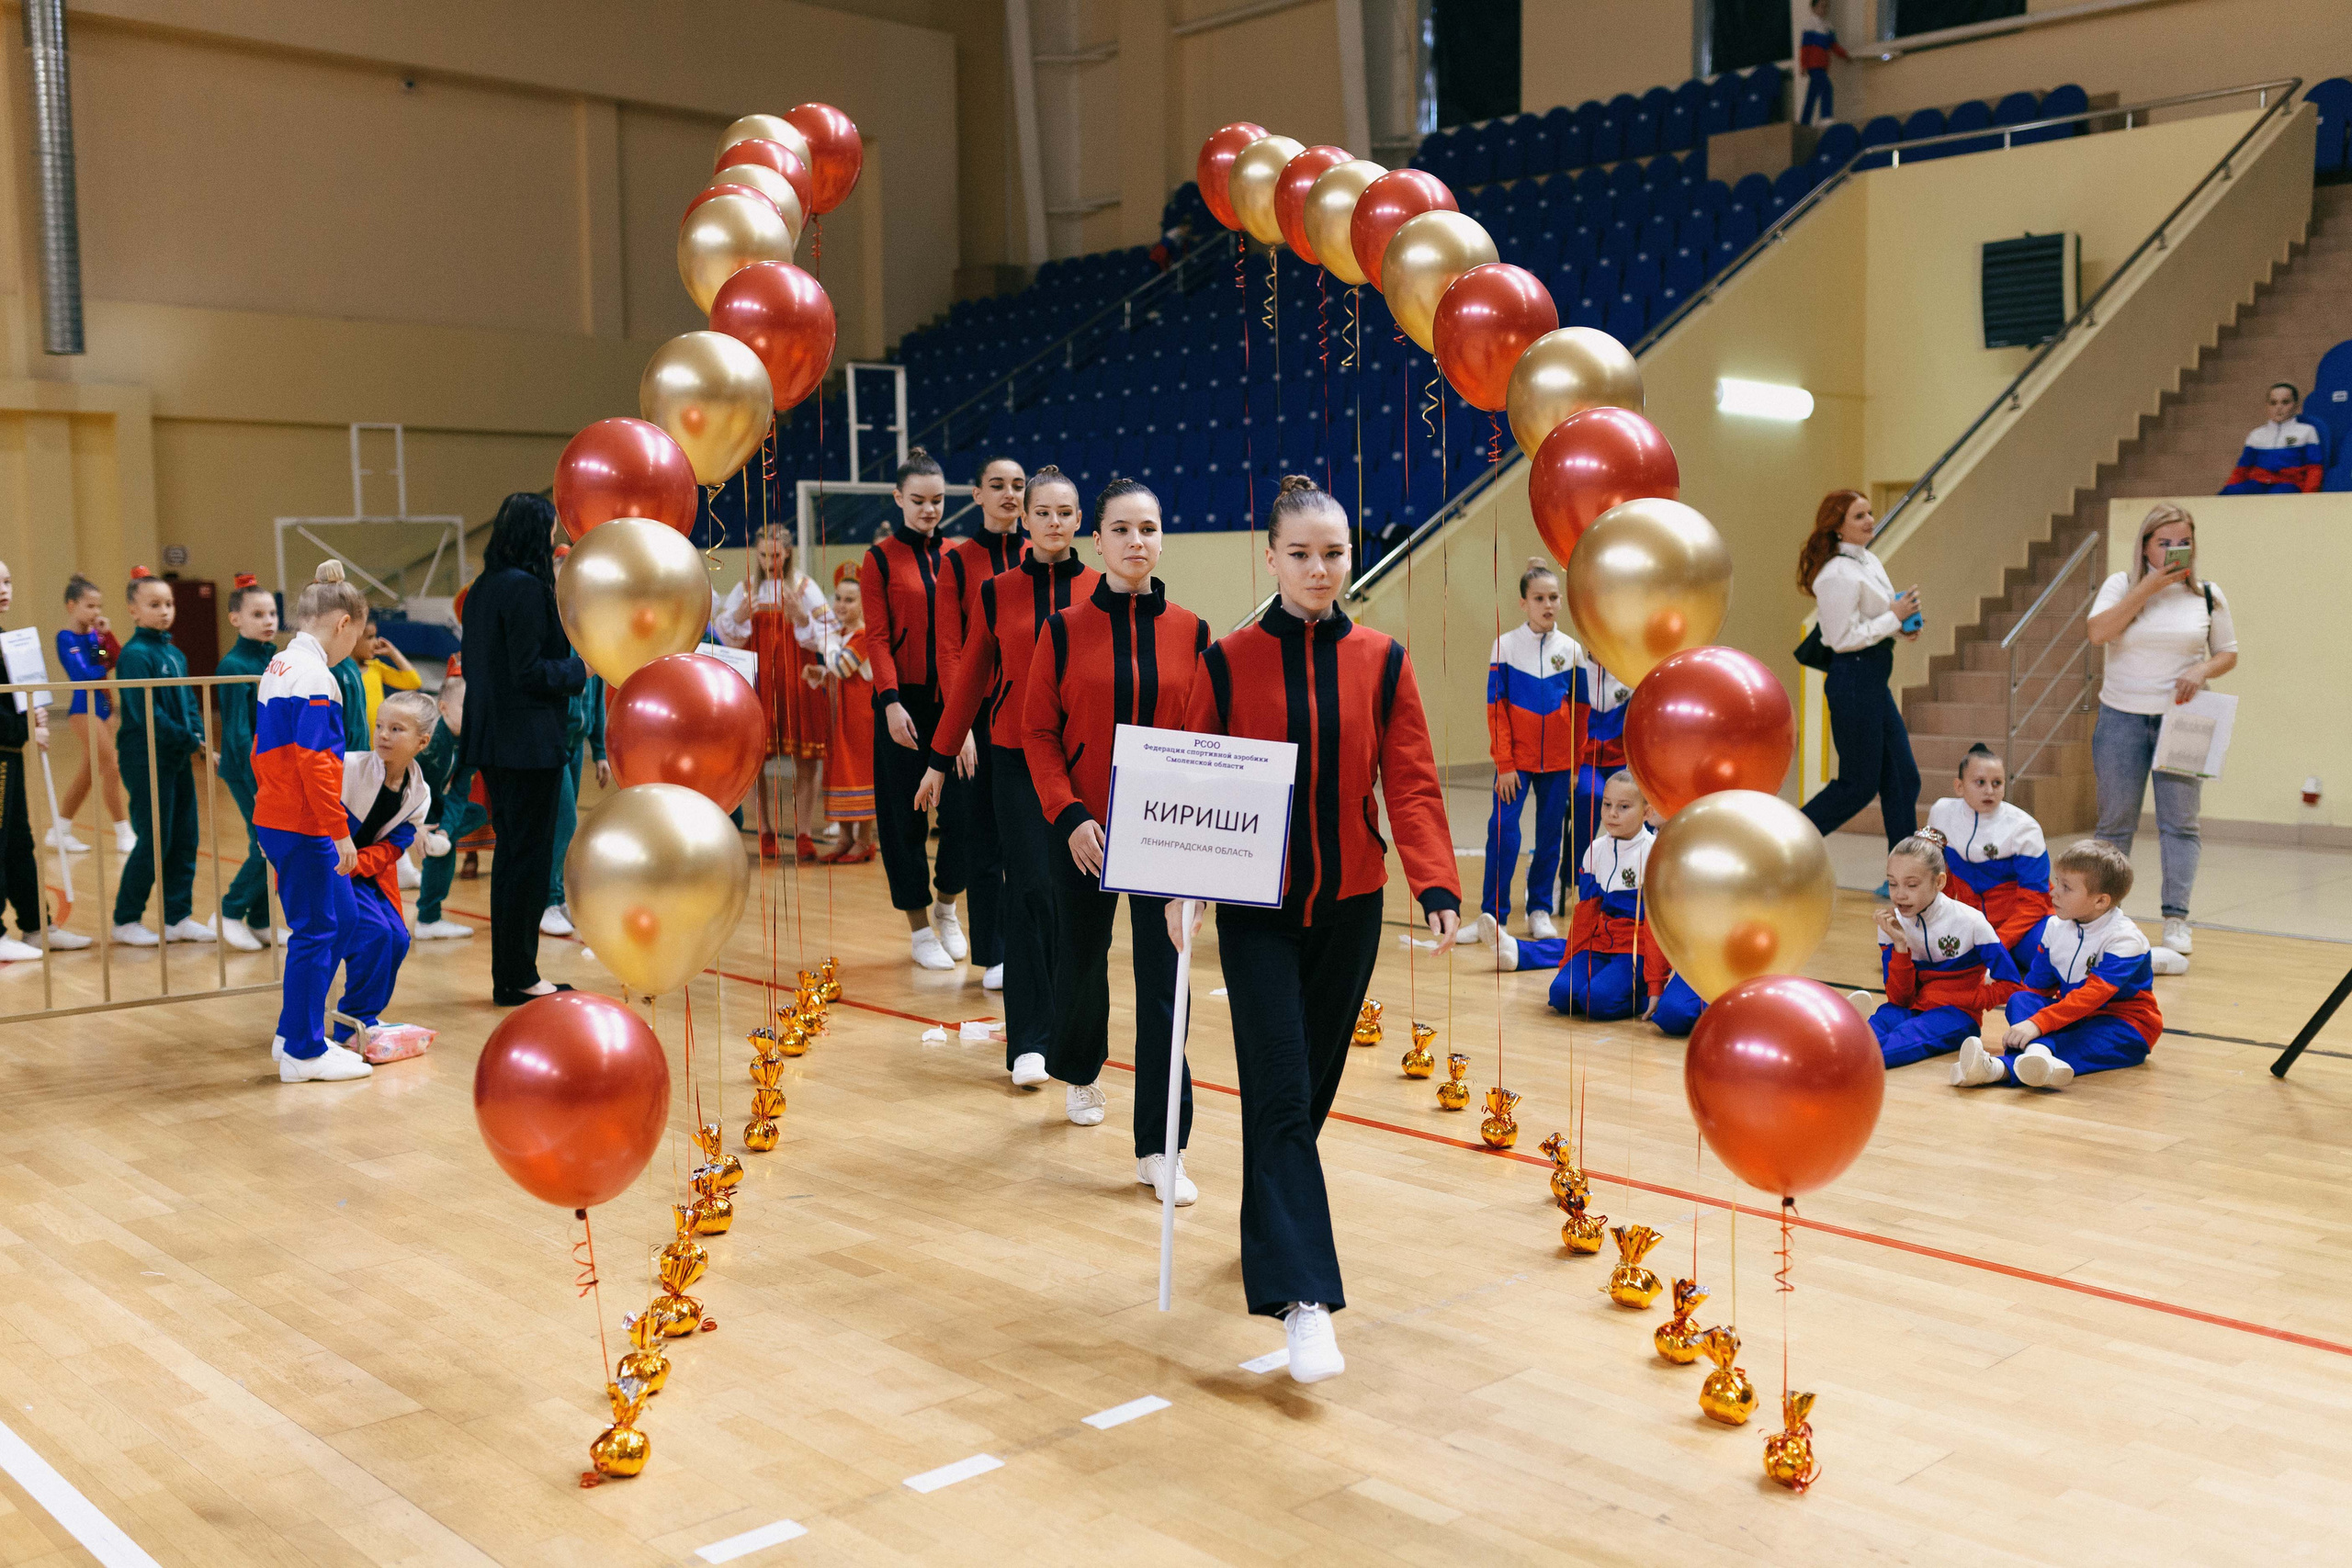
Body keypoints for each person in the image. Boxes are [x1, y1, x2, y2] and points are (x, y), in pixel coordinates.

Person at [1175, 473, 1460, 1385]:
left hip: (1350, 907)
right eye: (1299, 554)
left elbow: (1409, 781)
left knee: (1306, 1093)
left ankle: (1271, 1215)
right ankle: (1305, 1302)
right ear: (1271, 558)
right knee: (1283, 1096)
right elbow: (1195, 783)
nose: (1317, 568)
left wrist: (1436, 881)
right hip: (1255, 915)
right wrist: (1181, 889)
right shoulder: (1225, 660)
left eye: (1332, 553)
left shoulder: (1381, 660)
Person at [1023, 478, 1202, 1197]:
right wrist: (1068, 814)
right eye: (1122, 529)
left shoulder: (1192, 630)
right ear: (1097, 542)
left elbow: (1202, 736)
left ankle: (1163, 1147)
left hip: (1163, 834)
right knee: (1081, 959)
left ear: (1161, 539)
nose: (1137, 542)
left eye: (1149, 529)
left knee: (1167, 988)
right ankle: (1080, 1066)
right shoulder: (1062, 630)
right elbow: (1037, 731)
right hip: (1084, 831)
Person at [919, 468, 1095, 1081]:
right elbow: (969, 679)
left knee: (1073, 900)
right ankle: (1029, 1040)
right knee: (1028, 889)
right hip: (1015, 759)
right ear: (1025, 520)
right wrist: (939, 760)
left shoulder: (1101, 586)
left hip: (1085, 763)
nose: (1051, 522)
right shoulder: (997, 590)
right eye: (1041, 512)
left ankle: (1073, 1033)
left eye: (1064, 512)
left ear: (1079, 521)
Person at [2085, 503, 2235, 962]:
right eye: (2163, 542)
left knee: (2180, 824)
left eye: (2181, 542)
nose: (2173, 550)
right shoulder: (2121, 585)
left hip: (2183, 721)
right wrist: (2149, 587)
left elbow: (2227, 652)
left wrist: (2202, 668)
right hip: (2122, 718)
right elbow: (2098, 633)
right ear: (2146, 545)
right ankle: (2105, 917)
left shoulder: (2207, 594)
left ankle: (2176, 919)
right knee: (2114, 826)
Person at [459, 493, 589, 1005]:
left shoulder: (484, 588)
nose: (556, 536)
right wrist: (582, 669)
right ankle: (521, 975)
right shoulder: (528, 590)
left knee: (511, 859)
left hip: (493, 739)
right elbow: (531, 671)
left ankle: (510, 975)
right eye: (552, 529)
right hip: (529, 743)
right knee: (529, 863)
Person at [253, 559, 373, 1082]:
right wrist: (339, 829)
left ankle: (291, 1031)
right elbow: (315, 761)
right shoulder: (315, 677)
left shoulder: (280, 664)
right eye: (360, 633)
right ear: (343, 624)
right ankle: (304, 1051)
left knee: (340, 920)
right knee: (316, 929)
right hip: (302, 823)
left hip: (281, 816)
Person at [859, 449, 976, 972]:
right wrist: (889, 703)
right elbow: (878, 638)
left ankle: (948, 906)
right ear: (898, 499)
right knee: (903, 819)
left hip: (952, 703)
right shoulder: (878, 559)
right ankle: (918, 925)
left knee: (964, 813)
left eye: (937, 501)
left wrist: (966, 707)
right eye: (919, 501)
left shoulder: (958, 555)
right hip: (901, 705)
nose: (929, 510)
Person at [1954, 840, 2160, 1090]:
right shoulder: (2054, 927)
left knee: (2076, 1041)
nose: (2054, 893)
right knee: (2021, 1000)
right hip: (2071, 1015)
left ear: (2100, 901)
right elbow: (2036, 988)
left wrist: (2037, 1025)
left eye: (2066, 887)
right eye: (2057, 882)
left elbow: (2090, 998)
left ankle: (1996, 1069)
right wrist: (2033, 1020)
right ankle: (2037, 1056)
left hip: (2125, 1026)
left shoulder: (2126, 939)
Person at [933, 456, 1029, 987]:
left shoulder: (1040, 555)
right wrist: (961, 723)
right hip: (980, 720)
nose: (1009, 494)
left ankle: (1028, 945)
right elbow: (951, 651)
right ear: (977, 494)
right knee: (982, 836)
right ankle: (993, 954)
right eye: (997, 485)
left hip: (1031, 720)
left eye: (1018, 485)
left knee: (1030, 841)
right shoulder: (958, 562)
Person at [1486, 770, 1672, 1022]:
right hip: (1600, 945)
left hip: (1635, 951)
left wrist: (1655, 987)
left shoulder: (1655, 855)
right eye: (1607, 804)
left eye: (1624, 807)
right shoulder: (1595, 851)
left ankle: (1639, 998)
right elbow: (1585, 917)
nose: (1612, 813)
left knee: (1596, 1002)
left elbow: (1656, 930)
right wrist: (1569, 965)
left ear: (1647, 812)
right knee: (1562, 996)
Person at [1798, 489, 1921, 852]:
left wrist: (1902, 625)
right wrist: (1892, 618)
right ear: (1837, 528)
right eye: (1859, 516)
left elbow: (1876, 616)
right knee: (1858, 785)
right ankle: (1781, 842)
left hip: (1871, 679)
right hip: (1852, 680)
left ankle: (1904, 871)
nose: (1870, 520)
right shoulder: (1835, 575)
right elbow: (1841, 639)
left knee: (1902, 778)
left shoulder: (1868, 561)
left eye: (1869, 513)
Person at [1853, 827, 2019, 1071]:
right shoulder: (1891, 923)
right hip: (1909, 1006)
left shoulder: (1971, 922)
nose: (1899, 895)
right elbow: (1899, 999)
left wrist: (1970, 1000)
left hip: (1956, 1015)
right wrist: (1900, 946)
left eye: (1911, 885)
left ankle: (1846, 1065)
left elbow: (2011, 984)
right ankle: (1830, 1054)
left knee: (1904, 1037)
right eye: (1892, 884)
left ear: (1939, 881)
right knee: (1876, 1025)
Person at [715, 525, 835, 861]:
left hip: (797, 677)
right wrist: (737, 617)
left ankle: (803, 833)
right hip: (759, 679)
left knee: (805, 759)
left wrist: (801, 619)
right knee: (756, 759)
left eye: (777, 555)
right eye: (765, 555)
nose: (771, 562)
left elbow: (829, 635)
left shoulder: (805, 588)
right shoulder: (747, 590)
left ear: (789, 552)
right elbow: (727, 638)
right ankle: (766, 830)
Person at [110, 571, 211, 948]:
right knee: (155, 837)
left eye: (168, 604)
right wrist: (188, 739)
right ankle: (126, 919)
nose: (164, 611)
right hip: (145, 759)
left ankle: (177, 917)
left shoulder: (174, 653)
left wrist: (198, 735)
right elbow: (145, 713)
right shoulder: (135, 656)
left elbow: (187, 702)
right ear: (134, 611)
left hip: (176, 757)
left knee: (185, 836)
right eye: (154, 605)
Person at [330, 690, 435, 1048]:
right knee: (373, 936)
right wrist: (346, 861)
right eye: (379, 726)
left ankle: (365, 1018)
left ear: (422, 742)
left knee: (398, 939)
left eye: (396, 728)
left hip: (365, 873)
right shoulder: (347, 767)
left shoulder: (419, 793)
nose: (383, 735)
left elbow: (393, 846)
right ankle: (349, 1026)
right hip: (329, 869)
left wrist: (359, 863)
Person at [1479, 561, 1577, 943]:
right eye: (1539, 598)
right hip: (1514, 764)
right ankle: (1493, 915)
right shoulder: (1504, 646)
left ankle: (1539, 909)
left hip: (1557, 764)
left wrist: (1575, 764)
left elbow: (1580, 713)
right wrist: (1504, 763)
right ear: (1524, 603)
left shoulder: (1571, 650)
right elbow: (1496, 708)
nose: (1548, 605)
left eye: (1554, 597)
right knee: (1502, 832)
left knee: (1550, 837)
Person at [1927, 744, 2052, 972]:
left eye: (1997, 783)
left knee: (2050, 960)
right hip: (1971, 922)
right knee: (1916, 949)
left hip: (2023, 924)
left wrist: (1997, 943)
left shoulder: (2025, 828)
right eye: (1980, 782)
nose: (1989, 791)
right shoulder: (1940, 812)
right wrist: (1931, 919)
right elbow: (1935, 873)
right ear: (1959, 786)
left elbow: (2035, 903)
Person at [210, 575, 281, 952]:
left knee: (278, 843)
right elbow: (237, 732)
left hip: (273, 770)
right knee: (265, 843)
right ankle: (229, 911)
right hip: (247, 771)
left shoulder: (273, 658)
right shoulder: (233, 663)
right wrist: (257, 781)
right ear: (235, 619)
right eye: (258, 614)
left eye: (271, 612)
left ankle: (261, 919)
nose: (268, 620)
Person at [0, 559, 60, 960]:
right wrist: (24, 729)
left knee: (19, 840)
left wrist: (31, 712)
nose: (4, 588)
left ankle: (38, 926)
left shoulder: (6, 637)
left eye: (6, 580)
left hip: (10, 756)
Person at [51, 574, 130, 856]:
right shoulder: (66, 638)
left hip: (104, 707)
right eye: (90, 606)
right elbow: (83, 674)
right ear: (72, 605)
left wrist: (105, 635)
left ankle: (59, 830)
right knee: (111, 767)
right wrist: (102, 667)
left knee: (87, 773)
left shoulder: (94, 637)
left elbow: (114, 660)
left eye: (99, 606)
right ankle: (124, 831)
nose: (96, 612)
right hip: (83, 709)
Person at [542, 672, 607, 938]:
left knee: (562, 829)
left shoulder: (596, 649)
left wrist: (600, 751)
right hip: (553, 744)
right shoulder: (561, 642)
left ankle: (558, 899)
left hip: (576, 747)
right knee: (565, 825)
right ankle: (547, 903)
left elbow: (598, 702)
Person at [413, 676, 479, 941]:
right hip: (405, 804)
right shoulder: (430, 739)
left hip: (431, 803)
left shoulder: (469, 742)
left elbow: (460, 792)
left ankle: (429, 919)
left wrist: (443, 832)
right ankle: (427, 918)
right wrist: (417, 823)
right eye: (467, 706)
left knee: (477, 814)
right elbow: (406, 782)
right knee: (441, 847)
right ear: (443, 708)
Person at [818, 569, 876, 863]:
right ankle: (844, 837)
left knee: (858, 774)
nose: (841, 604)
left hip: (859, 719)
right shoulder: (843, 634)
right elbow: (834, 668)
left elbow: (843, 667)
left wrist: (824, 643)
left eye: (850, 600)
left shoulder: (865, 635)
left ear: (865, 604)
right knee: (838, 771)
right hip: (839, 718)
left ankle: (864, 840)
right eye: (838, 598)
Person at [2221, 382, 2324, 494]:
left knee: (2277, 496)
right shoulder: (2256, 434)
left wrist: (2308, 496)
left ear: (2296, 405)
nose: (2279, 407)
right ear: (2267, 406)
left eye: (2285, 402)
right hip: (2257, 484)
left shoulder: (2307, 431)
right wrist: (2226, 494)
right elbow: (2242, 469)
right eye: (2273, 403)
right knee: (2230, 492)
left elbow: (2314, 469)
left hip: (2288, 485)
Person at [355, 612, 423, 732]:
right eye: (370, 637)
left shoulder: (376, 667)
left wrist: (393, 653)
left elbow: (414, 682)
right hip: (353, 745)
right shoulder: (340, 672)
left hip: (376, 742)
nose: (376, 642)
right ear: (353, 639)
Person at [1798, 0, 1848, 126]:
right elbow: (1805, 47)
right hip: (1814, 66)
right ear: (1814, 8)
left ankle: (1804, 122)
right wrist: (1803, 65)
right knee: (1826, 88)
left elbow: (1834, 45)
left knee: (1812, 95)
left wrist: (1845, 55)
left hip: (1823, 65)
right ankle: (1826, 117)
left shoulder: (1828, 27)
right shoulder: (1809, 25)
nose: (1824, 10)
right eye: (1821, 7)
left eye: (1826, 7)